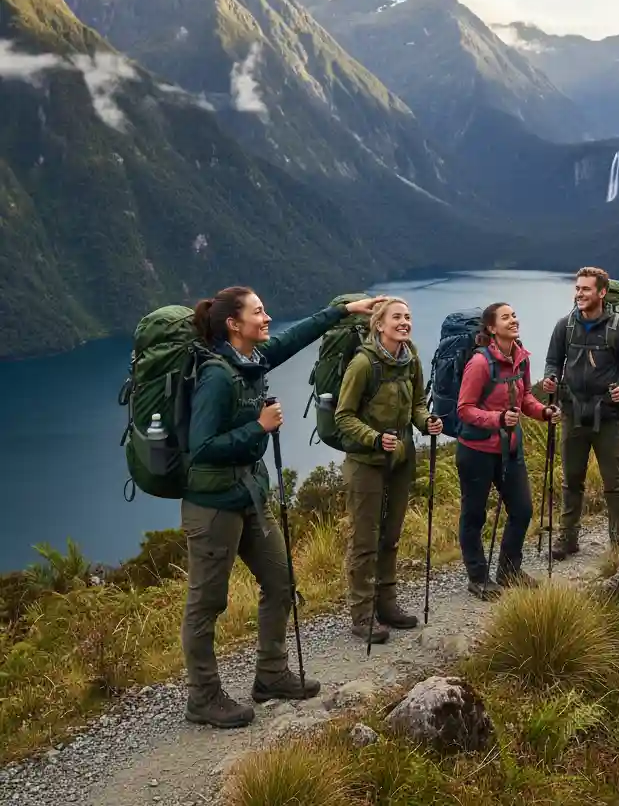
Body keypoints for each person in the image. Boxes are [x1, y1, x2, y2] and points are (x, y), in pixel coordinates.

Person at [183, 286, 385, 729]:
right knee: (207, 602)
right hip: (213, 505)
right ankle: (203, 697)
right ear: (233, 324)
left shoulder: (250, 360)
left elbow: (294, 338)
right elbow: (200, 449)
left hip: (249, 497)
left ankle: (271, 675)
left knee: (281, 582)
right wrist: (259, 427)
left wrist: (342, 310)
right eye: (258, 312)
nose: (268, 317)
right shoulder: (216, 375)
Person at [334, 298, 443, 644]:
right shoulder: (363, 364)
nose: (404, 322)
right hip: (366, 463)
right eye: (397, 317)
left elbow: (417, 405)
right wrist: (374, 438)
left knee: (391, 535)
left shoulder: (411, 359)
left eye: (408, 316)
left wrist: (427, 422)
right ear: (379, 325)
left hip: (400, 460)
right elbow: (343, 416)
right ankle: (362, 614)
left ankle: (387, 604)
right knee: (365, 540)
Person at [455, 302, 561, 599]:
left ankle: (509, 570)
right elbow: (464, 409)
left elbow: (524, 398)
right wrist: (497, 419)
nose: (513, 320)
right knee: (474, 516)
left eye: (514, 315)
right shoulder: (479, 363)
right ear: (491, 328)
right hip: (476, 451)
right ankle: (478, 577)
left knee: (522, 510)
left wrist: (544, 412)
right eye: (506, 317)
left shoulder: (520, 358)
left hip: (510, 448)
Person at [542, 266, 619, 559]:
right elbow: (553, 361)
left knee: (614, 481)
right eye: (577, 288)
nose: (579, 294)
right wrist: (550, 378)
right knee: (571, 479)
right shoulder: (565, 326)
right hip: (572, 412)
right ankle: (567, 538)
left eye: (586, 289)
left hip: (607, 415)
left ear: (602, 293)